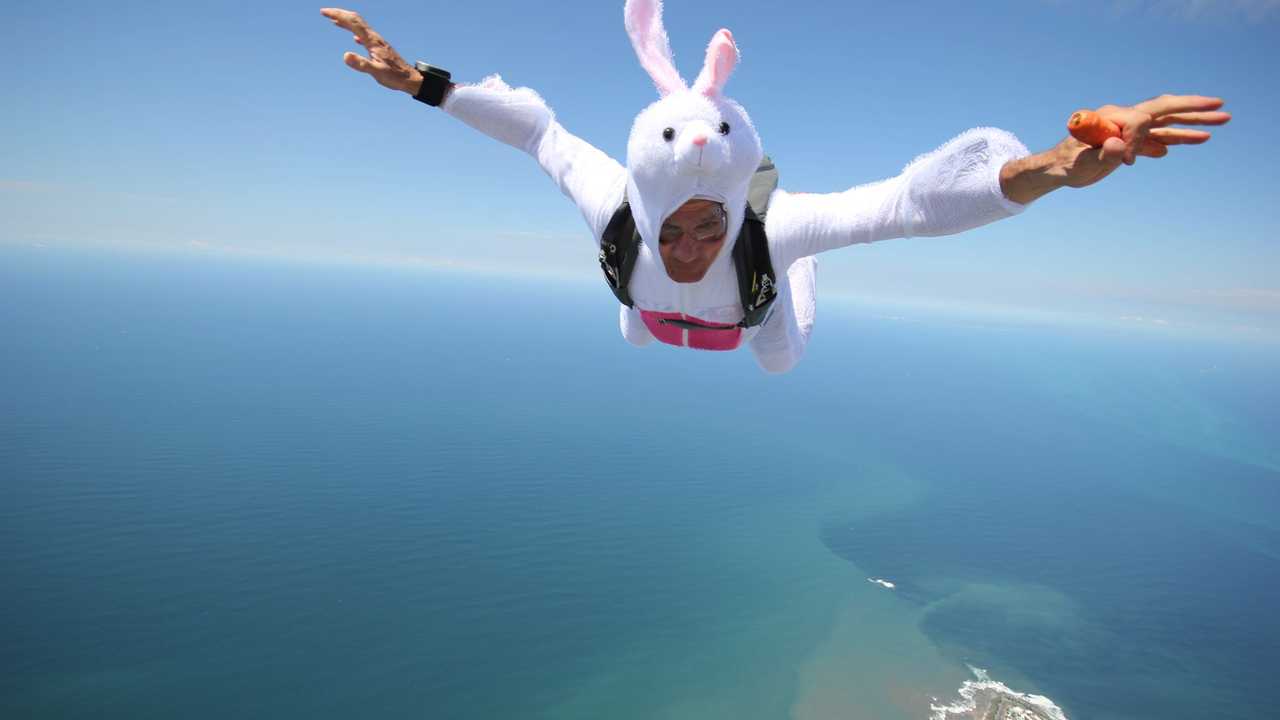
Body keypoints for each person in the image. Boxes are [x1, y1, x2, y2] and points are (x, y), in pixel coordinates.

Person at [321, 3, 1229, 373]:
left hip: (752, 315)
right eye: (673, 229)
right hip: (656, 314)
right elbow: (537, 132)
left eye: (709, 224)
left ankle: (799, 285)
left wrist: (1057, 168)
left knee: (780, 356)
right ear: (643, 203)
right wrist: (424, 83)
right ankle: (648, 315)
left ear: (737, 201)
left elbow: (911, 205)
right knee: (636, 324)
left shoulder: (770, 227)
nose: (690, 246)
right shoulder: (617, 211)